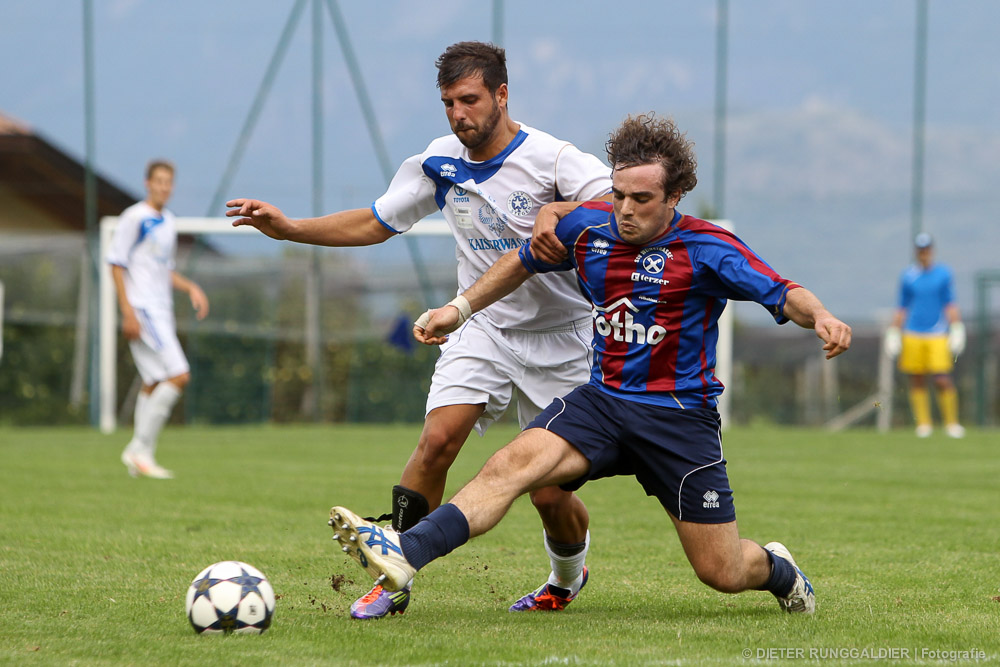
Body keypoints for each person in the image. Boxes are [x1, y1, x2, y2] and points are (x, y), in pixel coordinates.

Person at [328, 113, 852, 615]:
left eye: (642, 199)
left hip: (677, 419)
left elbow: (783, 292)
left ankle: (781, 570)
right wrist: (458, 309)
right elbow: (522, 261)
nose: (625, 209)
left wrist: (823, 316)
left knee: (722, 570)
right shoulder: (590, 226)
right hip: (602, 403)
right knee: (511, 468)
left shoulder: (709, 248)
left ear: (673, 197)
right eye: (619, 194)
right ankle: (405, 552)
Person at [226, 41, 611, 619]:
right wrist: (289, 228)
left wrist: (559, 213)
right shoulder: (439, 161)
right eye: (449, 103)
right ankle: (394, 574)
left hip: (563, 341)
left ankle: (566, 576)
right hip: (481, 325)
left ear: (502, 96)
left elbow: (617, 204)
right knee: (436, 443)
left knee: (549, 494)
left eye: (470, 100)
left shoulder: (554, 160)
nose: (459, 114)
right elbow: (377, 221)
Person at [107, 159, 209, 479]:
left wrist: (190, 286)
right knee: (179, 375)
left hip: (161, 308)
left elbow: (163, 270)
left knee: (153, 380)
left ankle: (143, 458)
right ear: (147, 183)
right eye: (159, 181)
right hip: (144, 309)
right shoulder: (134, 217)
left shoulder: (168, 222)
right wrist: (127, 312)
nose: (164, 186)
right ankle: (137, 448)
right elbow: (116, 263)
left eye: (169, 182)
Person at [884, 233, 966, 438]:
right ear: (916, 252)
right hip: (913, 332)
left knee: (941, 378)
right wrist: (894, 331)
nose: (924, 253)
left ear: (932, 250)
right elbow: (902, 307)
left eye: (927, 249)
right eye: (921, 250)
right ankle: (923, 423)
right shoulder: (908, 276)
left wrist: (957, 327)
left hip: (937, 333)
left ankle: (951, 423)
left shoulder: (943, 274)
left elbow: (950, 303)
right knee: (917, 379)